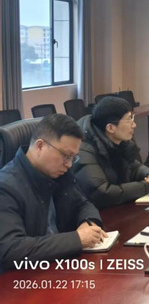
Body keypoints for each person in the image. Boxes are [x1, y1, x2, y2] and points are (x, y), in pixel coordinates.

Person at [0, 114, 106, 272]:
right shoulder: (5, 187)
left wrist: (88, 223)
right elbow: (12, 249)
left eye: (73, 157)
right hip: (24, 279)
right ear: (40, 146)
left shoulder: (58, 173)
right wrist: (77, 239)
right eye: (66, 156)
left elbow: (84, 204)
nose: (69, 164)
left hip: (59, 266)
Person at [73, 97, 149, 209]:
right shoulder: (84, 149)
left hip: (116, 208)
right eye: (129, 119)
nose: (134, 125)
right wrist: (146, 186)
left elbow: (133, 166)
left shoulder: (120, 141)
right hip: (97, 213)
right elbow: (101, 193)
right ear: (111, 128)